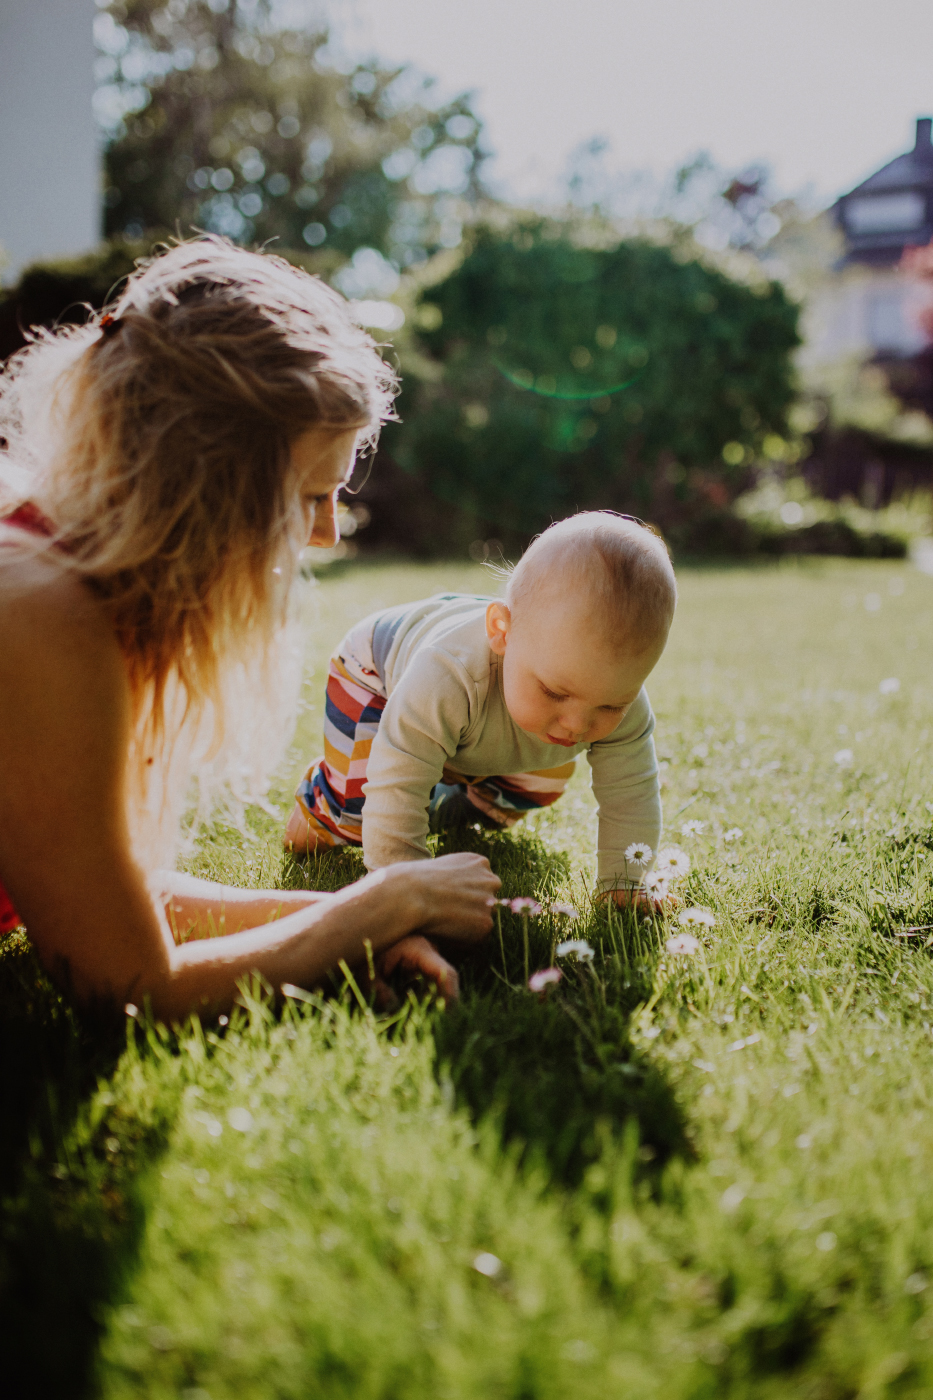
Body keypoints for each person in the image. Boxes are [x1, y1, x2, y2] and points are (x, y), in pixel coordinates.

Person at [0, 236, 499, 1022]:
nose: (328, 534)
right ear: (201, 484)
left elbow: (107, 891)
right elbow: (124, 982)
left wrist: (342, 927)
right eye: (307, 496)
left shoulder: (78, 582)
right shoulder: (38, 615)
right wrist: (379, 905)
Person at [285, 512, 676, 905]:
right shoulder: (446, 674)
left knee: (539, 783)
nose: (577, 724)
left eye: (612, 704)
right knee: (361, 808)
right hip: (373, 672)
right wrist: (403, 878)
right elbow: (398, 771)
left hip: (466, 714)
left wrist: (625, 881)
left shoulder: (607, 695)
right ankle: (324, 798)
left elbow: (632, 790)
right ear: (502, 633)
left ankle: (443, 787)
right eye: (555, 692)